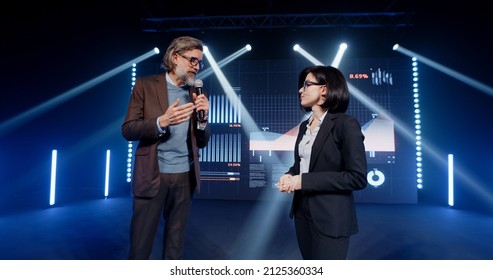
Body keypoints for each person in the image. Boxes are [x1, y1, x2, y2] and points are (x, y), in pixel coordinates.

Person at [121, 36, 211, 259]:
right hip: (153, 174)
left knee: (175, 246)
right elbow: (128, 129)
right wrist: (161, 122)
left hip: (184, 177)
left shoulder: (196, 94)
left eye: (200, 63)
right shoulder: (145, 85)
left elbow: (203, 141)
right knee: (140, 245)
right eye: (193, 60)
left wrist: (203, 120)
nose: (197, 67)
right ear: (175, 57)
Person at [276, 65, 367, 260]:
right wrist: (290, 175)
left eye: (307, 85)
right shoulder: (304, 126)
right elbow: (301, 164)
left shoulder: (345, 124)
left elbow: (357, 178)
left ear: (324, 89)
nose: (301, 90)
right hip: (302, 213)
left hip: (331, 217)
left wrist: (303, 181)